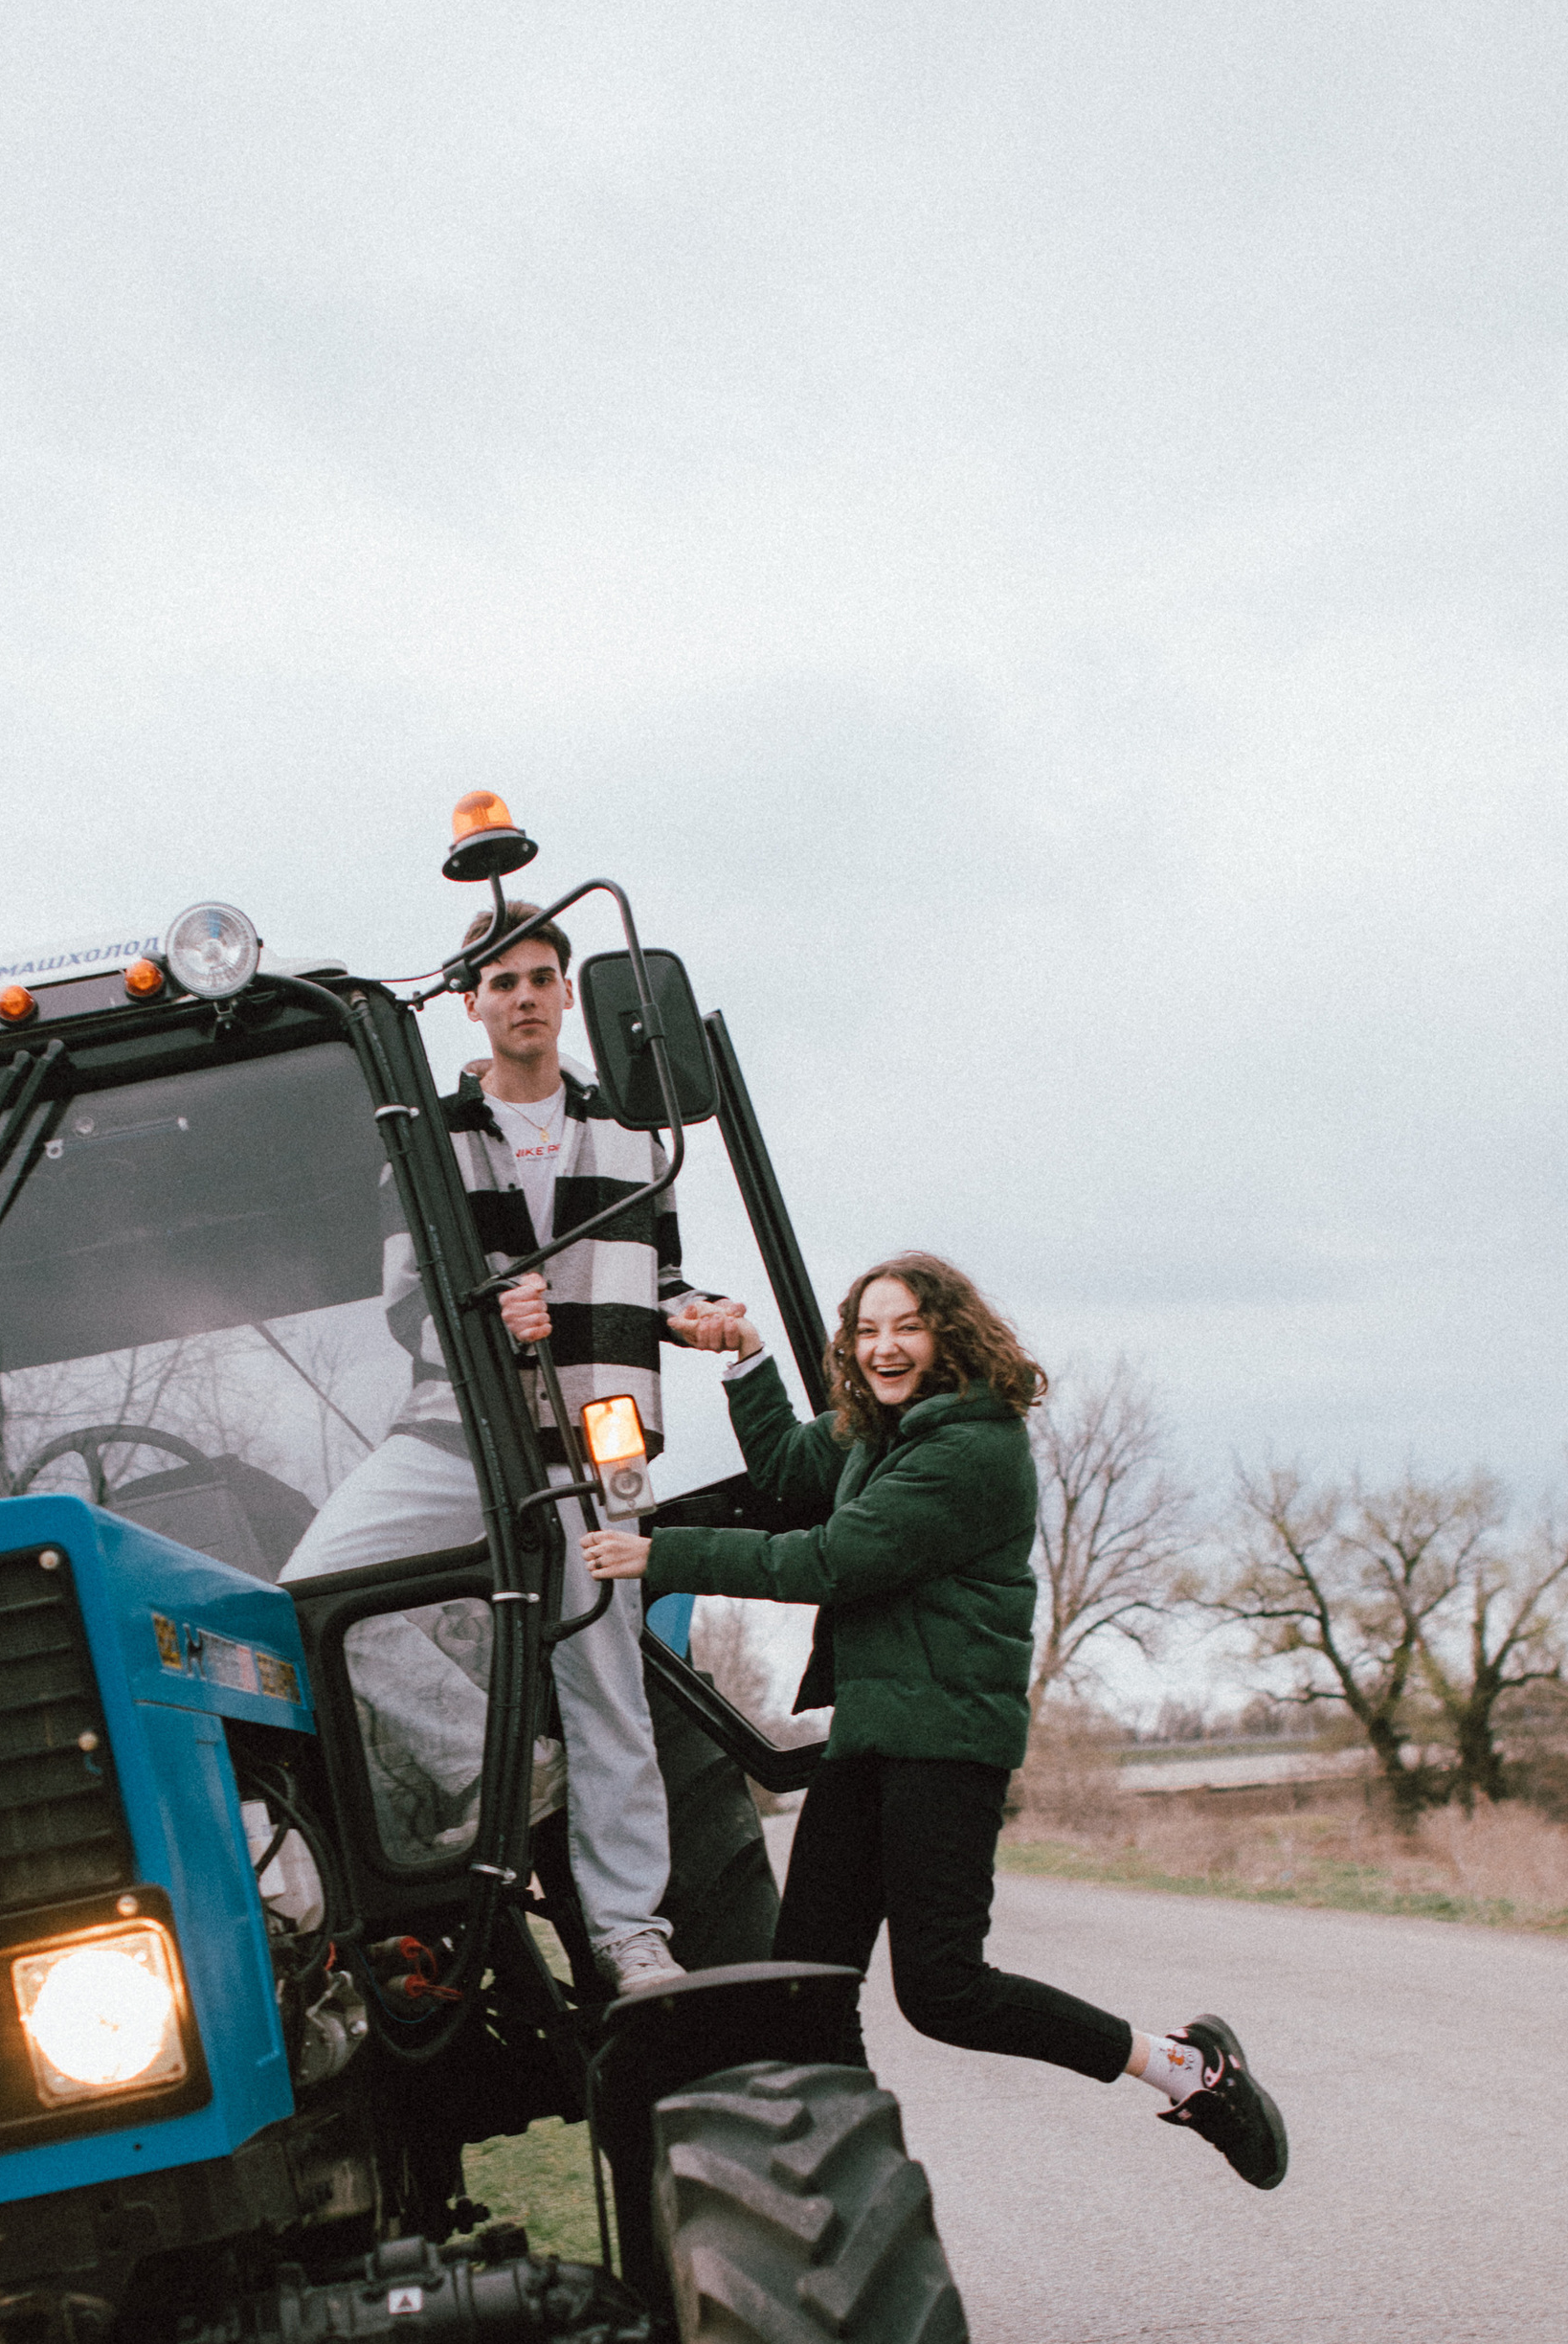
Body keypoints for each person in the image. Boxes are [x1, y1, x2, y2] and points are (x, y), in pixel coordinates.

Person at [582, 1252, 1288, 2185]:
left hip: (944, 1750)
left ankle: (1187, 2068)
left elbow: (831, 1560)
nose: (883, 1346)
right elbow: (792, 1465)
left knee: (945, 1991)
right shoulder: (880, 1433)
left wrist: (654, 1552)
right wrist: (746, 1356)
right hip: (868, 1741)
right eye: (867, 1329)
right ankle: (860, 2192)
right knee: (805, 1989)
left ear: (948, 1333)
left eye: (905, 1326)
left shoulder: (973, 1450)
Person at [280, 906, 747, 1997]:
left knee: (608, 1685)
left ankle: (629, 1936)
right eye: (503, 982)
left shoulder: (633, 1132)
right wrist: (491, 1315)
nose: (525, 997)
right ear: (472, 1002)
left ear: (566, 994)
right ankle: (485, 1760)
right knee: (314, 1594)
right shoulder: (427, 1132)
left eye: (542, 977)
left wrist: (698, 1316)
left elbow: (660, 1276)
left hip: (597, 1440)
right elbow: (409, 1301)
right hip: (461, 1428)